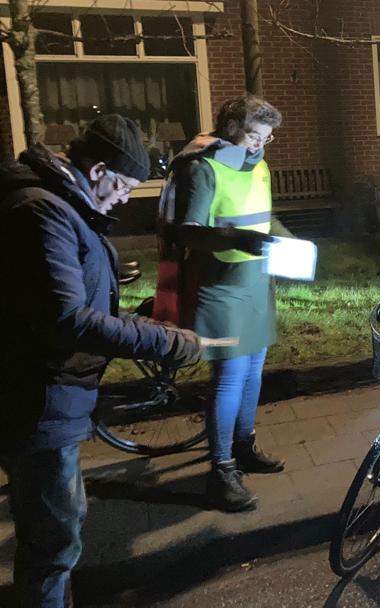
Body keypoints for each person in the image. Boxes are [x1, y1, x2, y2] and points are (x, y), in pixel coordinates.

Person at [0, 115, 204, 607]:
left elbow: (74, 304)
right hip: (38, 402)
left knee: (55, 533)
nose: (125, 199)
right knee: (52, 543)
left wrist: (147, 325)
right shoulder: (42, 211)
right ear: (98, 172)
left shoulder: (60, 206)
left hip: (51, 398)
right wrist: (164, 342)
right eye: (125, 186)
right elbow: (68, 320)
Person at [154, 95, 287, 513]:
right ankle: (221, 470)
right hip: (219, 282)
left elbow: (264, 217)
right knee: (230, 374)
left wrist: (288, 240)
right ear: (230, 127)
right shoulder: (203, 166)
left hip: (255, 280)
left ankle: (243, 445)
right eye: (254, 136)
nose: (260, 145)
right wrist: (239, 241)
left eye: (266, 138)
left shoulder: (259, 165)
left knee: (254, 367)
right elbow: (188, 232)